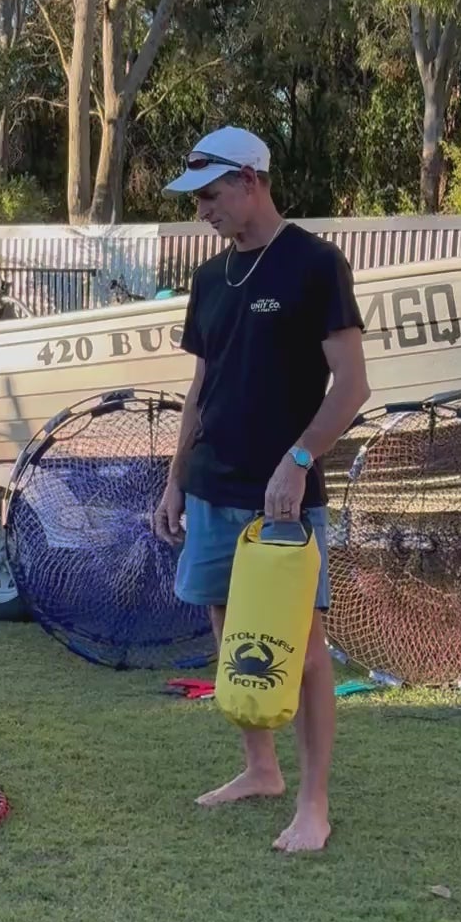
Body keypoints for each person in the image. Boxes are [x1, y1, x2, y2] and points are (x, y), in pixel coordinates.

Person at [154, 127, 370, 854]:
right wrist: (175, 480)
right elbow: (200, 388)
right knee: (232, 638)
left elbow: (353, 385)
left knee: (301, 650)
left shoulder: (314, 263)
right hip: (211, 487)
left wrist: (299, 459)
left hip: (283, 500)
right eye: (196, 200)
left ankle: (314, 803)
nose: (202, 211)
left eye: (210, 195)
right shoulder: (210, 279)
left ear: (250, 180)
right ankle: (261, 770)